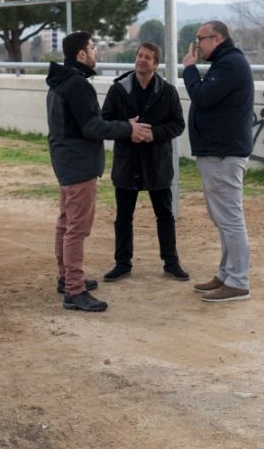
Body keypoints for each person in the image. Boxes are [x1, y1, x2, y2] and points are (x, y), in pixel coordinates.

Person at [46, 31, 150, 312]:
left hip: (66, 162)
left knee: (66, 224)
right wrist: (128, 128)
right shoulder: (77, 84)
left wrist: (123, 125)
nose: (96, 52)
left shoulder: (60, 81)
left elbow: (82, 123)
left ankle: (66, 278)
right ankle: (74, 290)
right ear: (81, 54)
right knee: (76, 229)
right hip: (78, 165)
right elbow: (92, 127)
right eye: (92, 48)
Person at [100, 42, 189, 283]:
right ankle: (122, 264)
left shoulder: (168, 91)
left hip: (157, 162)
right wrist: (127, 129)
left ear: (155, 64)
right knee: (123, 216)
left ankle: (171, 262)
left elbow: (178, 124)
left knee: (165, 215)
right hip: (127, 162)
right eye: (139, 55)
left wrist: (154, 134)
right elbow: (104, 122)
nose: (141, 60)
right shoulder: (118, 90)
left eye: (147, 57)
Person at [181, 20, 255, 303]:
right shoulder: (224, 63)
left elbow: (202, 97)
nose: (198, 44)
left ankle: (238, 281)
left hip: (224, 154)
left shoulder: (230, 64)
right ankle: (226, 274)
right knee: (223, 219)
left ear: (218, 38)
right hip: (218, 153)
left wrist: (189, 70)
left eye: (201, 38)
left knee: (231, 220)